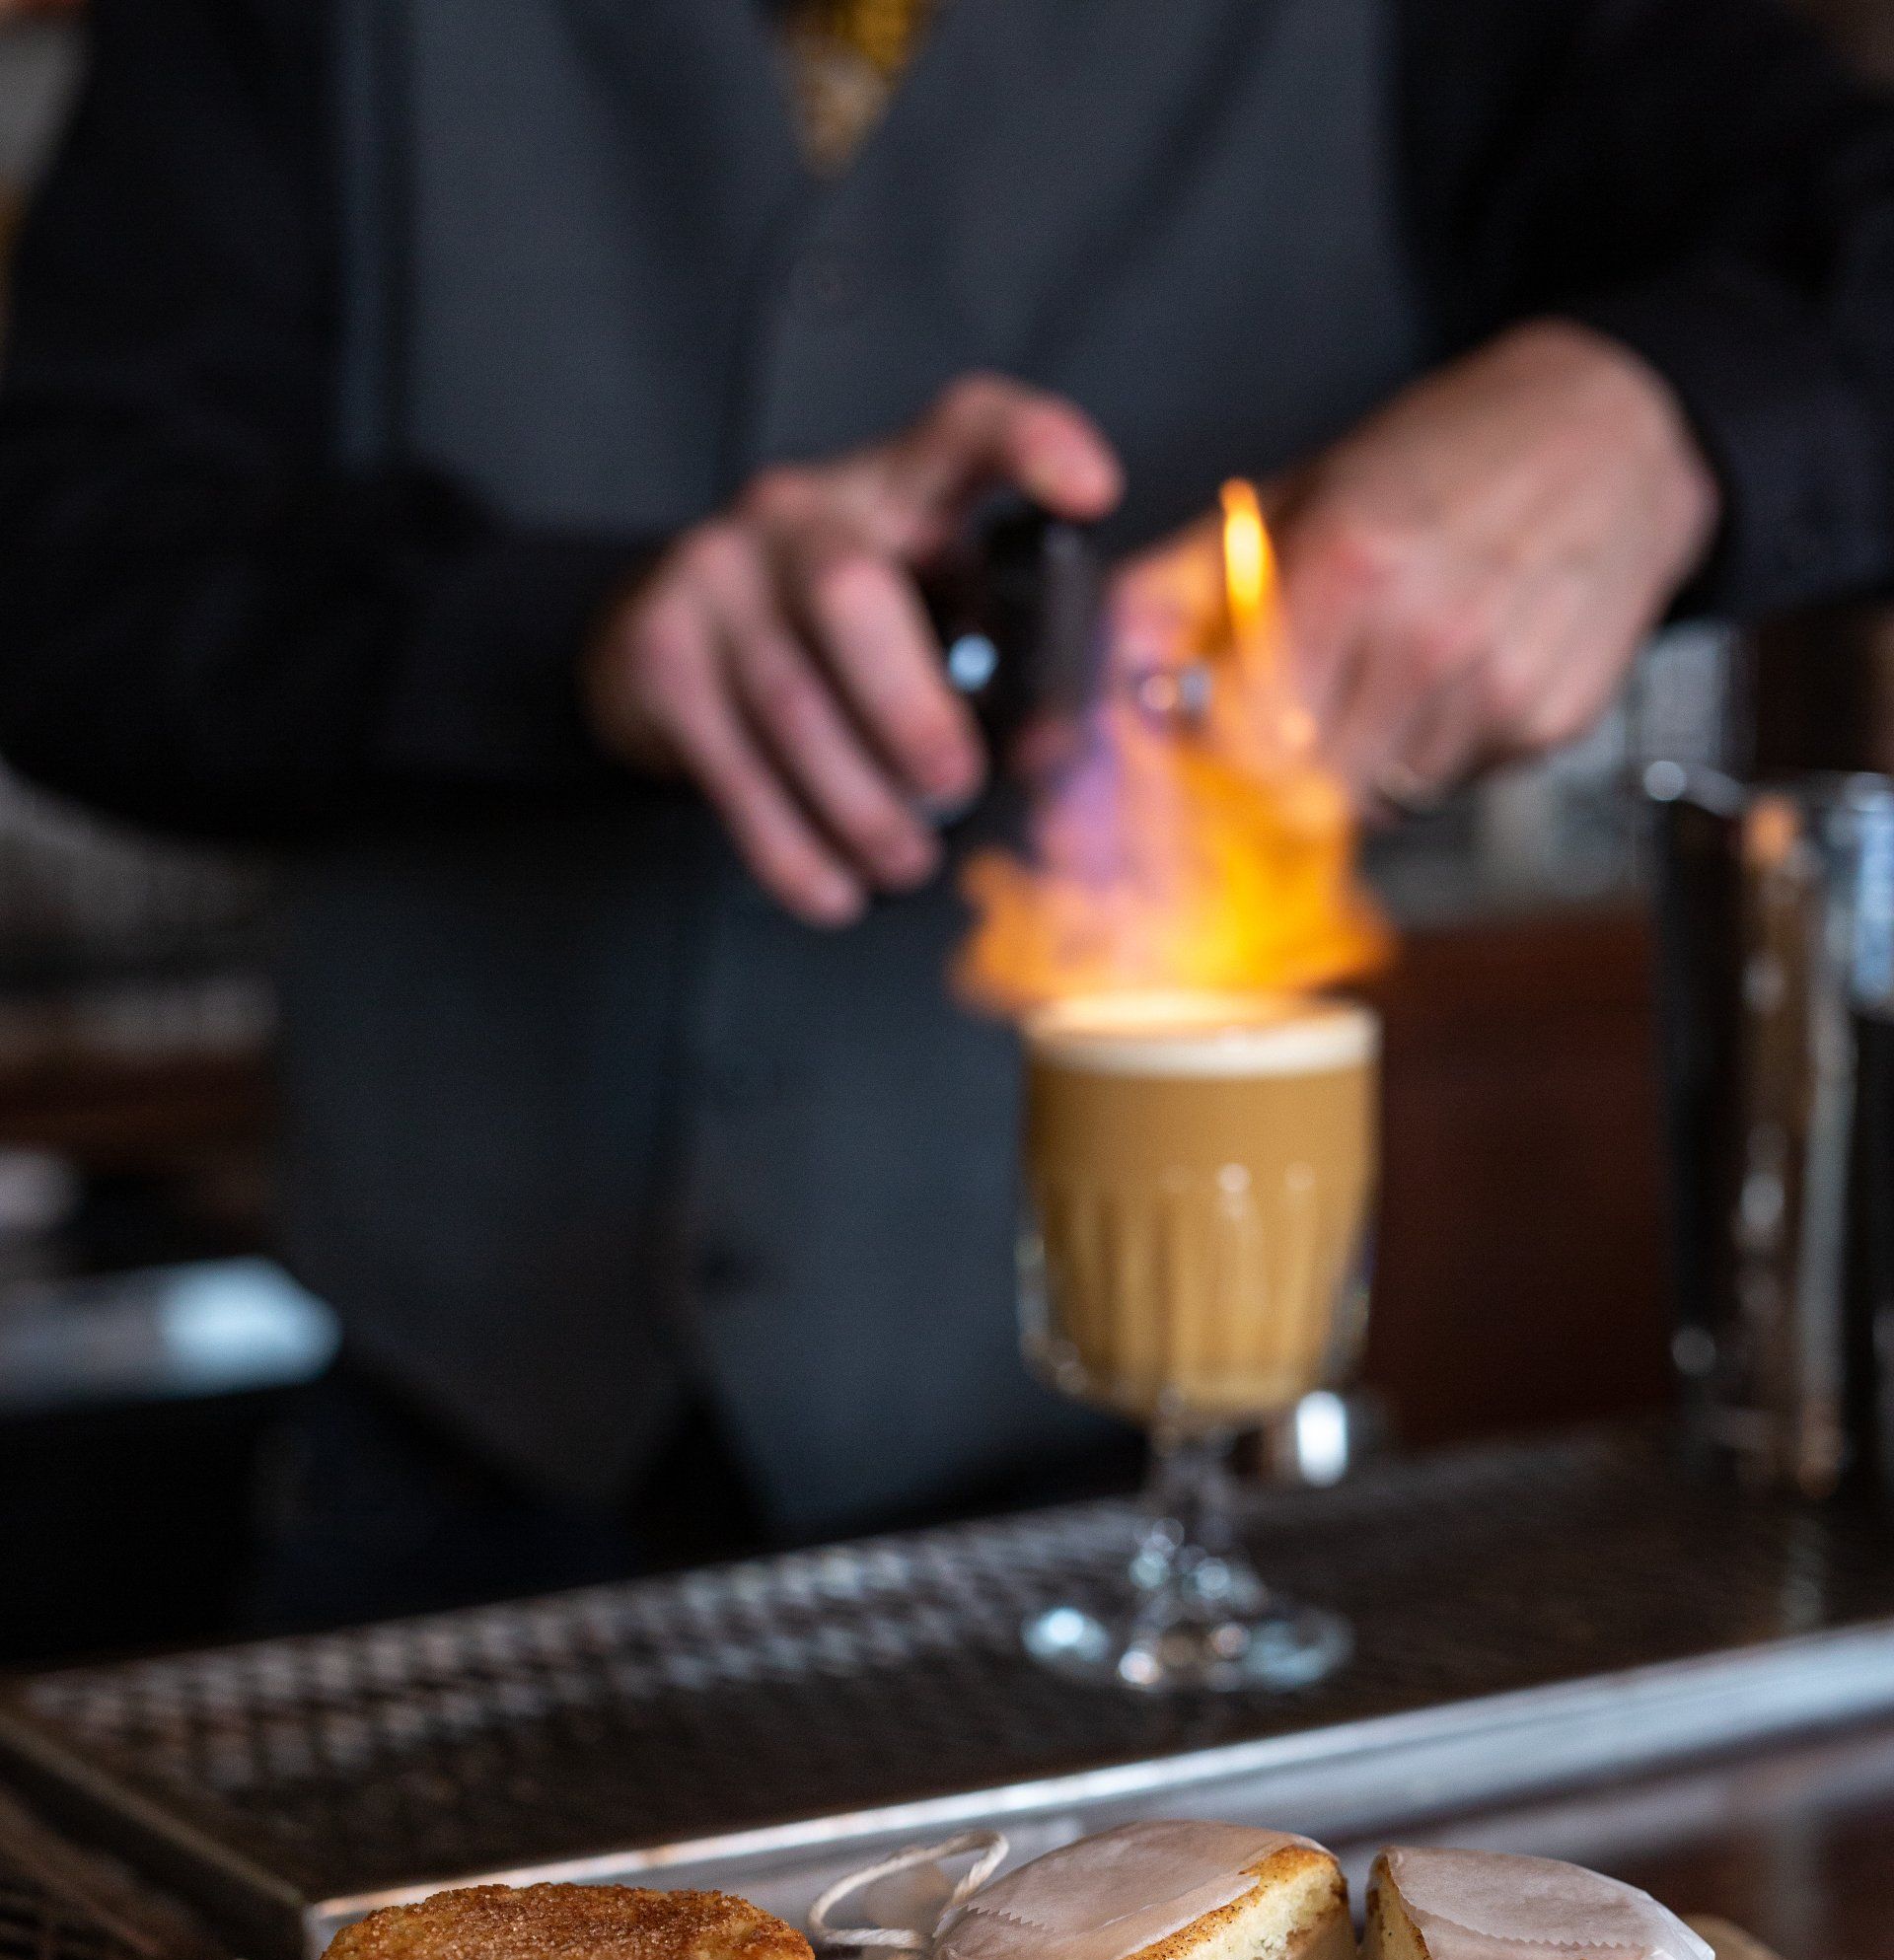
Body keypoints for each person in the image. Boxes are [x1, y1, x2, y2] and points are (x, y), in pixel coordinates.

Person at [0, 0, 1889, 1622]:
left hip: (1115, 1507)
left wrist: (1662, 414)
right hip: (442, 1473)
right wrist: (566, 640)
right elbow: (68, 561)